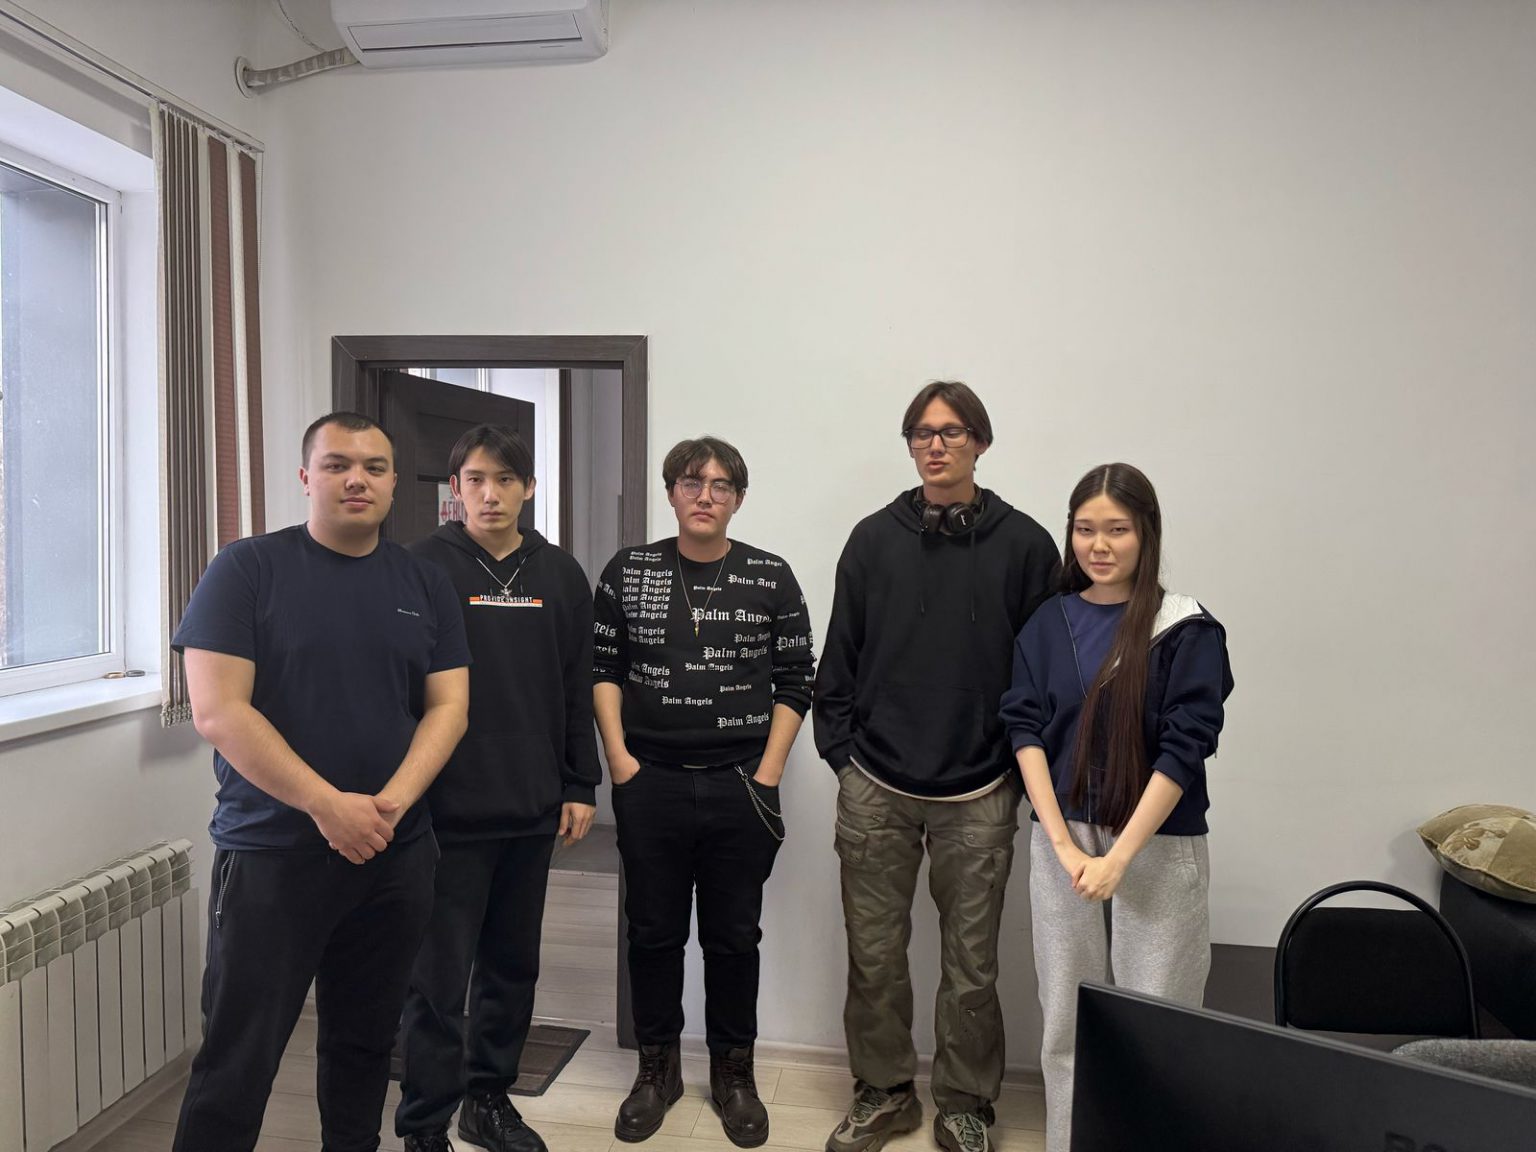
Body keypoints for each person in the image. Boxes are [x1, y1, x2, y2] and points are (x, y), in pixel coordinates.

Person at [170, 412, 470, 1152]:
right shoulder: (247, 569)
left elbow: (449, 707)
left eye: (374, 466)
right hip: (274, 853)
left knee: (364, 1045)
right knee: (238, 1056)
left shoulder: (424, 582)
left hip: (394, 854)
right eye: (337, 465)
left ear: (394, 484)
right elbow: (218, 710)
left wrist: (391, 806)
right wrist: (326, 806)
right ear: (307, 478)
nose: (356, 479)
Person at [815, 381, 1059, 1152]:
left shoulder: (1026, 546)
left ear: (980, 442)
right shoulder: (871, 540)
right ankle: (883, 1093)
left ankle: (965, 1105)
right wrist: (844, 758)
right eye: (921, 432)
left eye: (952, 431)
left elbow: (1045, 674)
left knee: (972, 967)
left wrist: (1017, 773)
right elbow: (839, 659)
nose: (935, 445)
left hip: (980, 791)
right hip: (876, 786)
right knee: (874, 958)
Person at [998, 462, 1234, 1152]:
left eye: (1117, 530)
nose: (1098, 545)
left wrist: (1119, 857)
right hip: (1062, 839)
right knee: (1066, 1020)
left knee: (1156, 1025)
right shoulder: (1048, 622)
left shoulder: (1185, 627)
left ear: (1146, 534)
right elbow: (1024, 729)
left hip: (1156, 844)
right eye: (1084, 529)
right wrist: (1064, 847)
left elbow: (1186, 749)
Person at [593, 436, 815, 1148]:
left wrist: (768, 774)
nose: (705, 496)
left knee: (733, 937)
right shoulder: (630, 571)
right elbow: (603, 669)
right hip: (649, 781)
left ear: (738, 499)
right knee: (652, 933)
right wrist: (620, 763)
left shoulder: (770, 576)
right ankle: (656, 1071)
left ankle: (733, 1074)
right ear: (671, 492)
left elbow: (797, 680)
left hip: (740, 785)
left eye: (721, 485)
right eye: (692, 482)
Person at [396, 425, 601, 1152]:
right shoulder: (419, 567)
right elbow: (401, 688)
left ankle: (488, 1100)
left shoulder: (561, 574)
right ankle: (424, 1123)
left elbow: (578, 685)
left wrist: (580, 782)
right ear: (455, 489)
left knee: (512, 968)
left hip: (531, 806)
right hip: (444, 812)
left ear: (529, 488)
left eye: (505, 480)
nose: (490, 494)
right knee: (436, 979)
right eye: (476, 480)